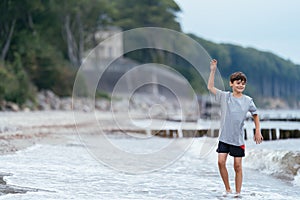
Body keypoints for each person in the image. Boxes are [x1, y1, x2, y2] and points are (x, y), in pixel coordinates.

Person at [207, 59, 263, 197]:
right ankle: (228, 189)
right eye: (238, 83)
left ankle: (238, 193)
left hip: (237, 140)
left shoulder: (248, 100)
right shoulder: (225, 97)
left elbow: (255, 114)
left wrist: (257, 130)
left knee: (237, 166)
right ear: (231, 84)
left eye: (243, 83)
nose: (241, 85)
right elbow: (210, 87)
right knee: (220, 162)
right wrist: (213, 70)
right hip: (224, 138)